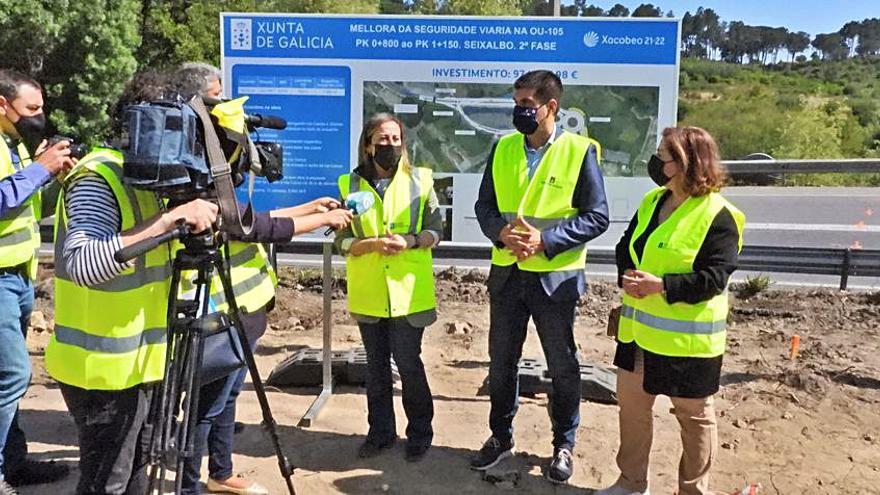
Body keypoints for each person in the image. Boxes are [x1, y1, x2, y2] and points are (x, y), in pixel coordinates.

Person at [171, 63, 352, 495]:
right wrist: (323, 218)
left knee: (227, 398)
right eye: (216, 97)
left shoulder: (213, 167)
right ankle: (186, 485)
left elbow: (250, 219)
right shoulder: (189, 168)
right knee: (204, 407)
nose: (226, 106)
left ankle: (220, 472)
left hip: (245, 313)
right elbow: (248, 229)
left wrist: (310, 208)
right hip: (214, 313)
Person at [43, 70, 222, 494]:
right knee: (109, 483)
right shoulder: (98, 178)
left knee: (136, 476)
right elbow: (84, 263)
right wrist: (169, 219)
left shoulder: (148, 180)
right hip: (102, 374)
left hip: (142, 365)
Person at [472, 70, 609, 484]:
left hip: (555, 280)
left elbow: (597, 216)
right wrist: (499, 232)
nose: (519, 112)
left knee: (562, 366)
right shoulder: (502, 148)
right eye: (516, 104)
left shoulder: (579, 151)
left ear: (551, 107)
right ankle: (500, 437)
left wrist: (546, 240)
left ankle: (563, 444)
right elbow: (484, 208)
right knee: (502, 364)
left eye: (527, 105)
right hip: (509, 277)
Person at [595, 127, 745, 495]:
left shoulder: (719, 215)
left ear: (685, 164)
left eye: (663, 155)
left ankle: (692, 491)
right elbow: (625, 246)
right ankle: (631, 484)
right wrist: (627, 274)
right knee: (632, 412)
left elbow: (714, 277)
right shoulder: (652, 201)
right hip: (637, 336)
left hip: (688, 346)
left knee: (694, 421)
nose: (656, 161)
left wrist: (660, 286)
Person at [334, 113, 441, 463]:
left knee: (409, 364)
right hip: (370, 292)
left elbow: (436, 231)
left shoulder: (421, 181)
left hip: (409, 293)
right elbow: (341, 240)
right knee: (376, 368)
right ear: (368, 144)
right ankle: (380, 433)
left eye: (396, 139)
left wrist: (410, 241)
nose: (390, 145)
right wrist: (364, 245)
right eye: (382, 139)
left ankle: (420, 434)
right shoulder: (348, 185)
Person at [0, 69, 73, 493]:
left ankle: (13, 462)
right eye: (32, 109)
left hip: (18, 275)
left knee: (8, 377)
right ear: (3, 105)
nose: (39, 117)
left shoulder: (13, 145)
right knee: (10, 375)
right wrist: (40, 169)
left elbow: (22, 205)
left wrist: (52, 173)